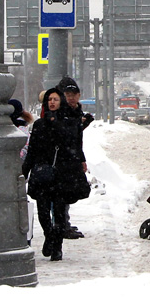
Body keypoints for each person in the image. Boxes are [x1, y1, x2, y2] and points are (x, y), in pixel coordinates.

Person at [22, 87, 89, 262]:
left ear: (61, 102)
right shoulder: (39, 124)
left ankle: (57, 246)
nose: (52, 102)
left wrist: (79, 164)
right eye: (49, 100)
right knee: (43, 211)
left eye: (55, 99)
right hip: (43, 173)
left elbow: (75, 146)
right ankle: (49, 235)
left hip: (62, 174)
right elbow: (32, 151)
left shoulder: (70, 122)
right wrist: (24, 171)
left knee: (58, 212)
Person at [55, 77, 92, 239]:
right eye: (67, 94)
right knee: (60, 195)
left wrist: (81, 159)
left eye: (74, 94)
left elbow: (74, 138)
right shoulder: (59, 111)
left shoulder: (74, 111)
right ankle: (60, 226)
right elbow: (65, 136)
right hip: (60, 160)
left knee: (66, 194)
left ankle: (63, 224)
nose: (71, 97)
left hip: (70, 158)